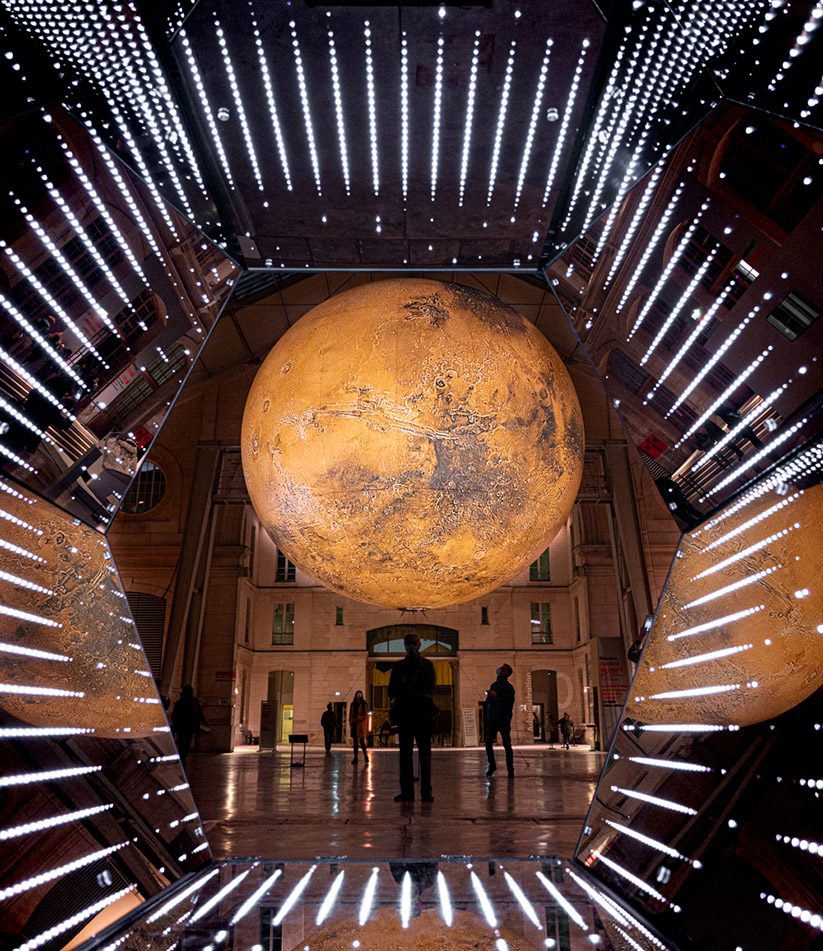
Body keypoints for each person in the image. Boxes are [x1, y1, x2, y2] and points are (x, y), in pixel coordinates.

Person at [388, 632, 436, 802]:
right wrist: (412, 690)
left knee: (425, 755)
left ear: (419, 645)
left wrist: (406, 688)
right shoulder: (399, 667)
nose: (411, 646)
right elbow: (391, 691)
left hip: (422, 715)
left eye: (413, 643)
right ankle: (407, 792)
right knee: (405, 756)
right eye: (408, 643)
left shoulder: (428, 666)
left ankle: (426, 792)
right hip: (406, 716)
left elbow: (430, 689)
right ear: (405, 646)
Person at [484, 663, 515, 778]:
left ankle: (510, 769)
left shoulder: (509, 687)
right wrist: (489, 697)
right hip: (492, 718)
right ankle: (492, 765)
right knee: (488, 743)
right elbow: (488, 702)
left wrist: (496, 696)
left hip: (503, 719)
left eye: (502, 669)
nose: (499, 671)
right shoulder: (494, 684)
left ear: (506, 673)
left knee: (507, 744)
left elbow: (508, 703)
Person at [171, 684, 206, 765]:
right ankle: (182, 757)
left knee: (181, 742)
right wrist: (202, 721)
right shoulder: (194, 702)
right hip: (189, 727)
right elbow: (198, 713)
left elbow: (174, 716)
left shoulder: (180, 702)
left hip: (181, 727)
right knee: (186, 743)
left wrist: (176, 724)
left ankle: (181, 757)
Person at [349, 690, 369, 764]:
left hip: (360, 725)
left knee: (362, 741)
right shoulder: (352, 704)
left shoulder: (364, 704)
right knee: (355, 743)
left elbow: (365, 715)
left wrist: (357, 718)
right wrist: (351, 720)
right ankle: (355, 757)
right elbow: (350, 714)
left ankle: (365, 756)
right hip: (354, 725)